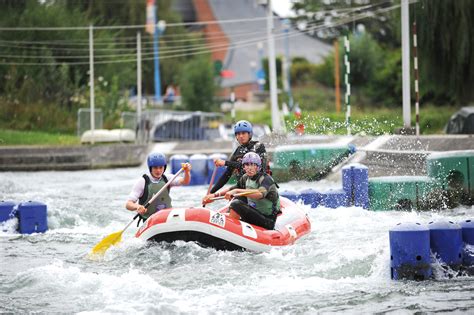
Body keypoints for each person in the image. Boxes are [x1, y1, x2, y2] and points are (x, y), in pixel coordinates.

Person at [202, 152, 280, 230]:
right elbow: (232, 189)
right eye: (247, 165)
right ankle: (227, 221)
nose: (250, 168)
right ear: (243, 167)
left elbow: (260, 194)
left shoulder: (266, 179)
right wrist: (214, 195)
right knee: (238, 199)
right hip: (254, 214)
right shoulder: (245, 178)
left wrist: (237, 191)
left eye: (253, 164)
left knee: (236, 203)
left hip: (267, 220)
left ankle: (229, 226)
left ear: (258, 166)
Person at [126, 152, 191, 221]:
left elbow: (185, 181)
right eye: (155, 168)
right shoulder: (143, 181)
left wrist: (187, 172)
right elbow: (128, 204)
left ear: (164, 167)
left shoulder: (167, 178)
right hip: (150, 220)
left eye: (161, 167)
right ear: (150, 168)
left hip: (167, 218)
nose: (158, 170)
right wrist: (138, 207)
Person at [210, 120, 268, 194]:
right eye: (238, 134)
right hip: (242, 189)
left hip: (258, 188)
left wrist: (225, 162)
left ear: (249, 134)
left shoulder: (258, 147)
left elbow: (248, 166)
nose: (241, 136)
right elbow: (226, 176)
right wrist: (211, 193)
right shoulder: (238, 151)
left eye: (243, 133)